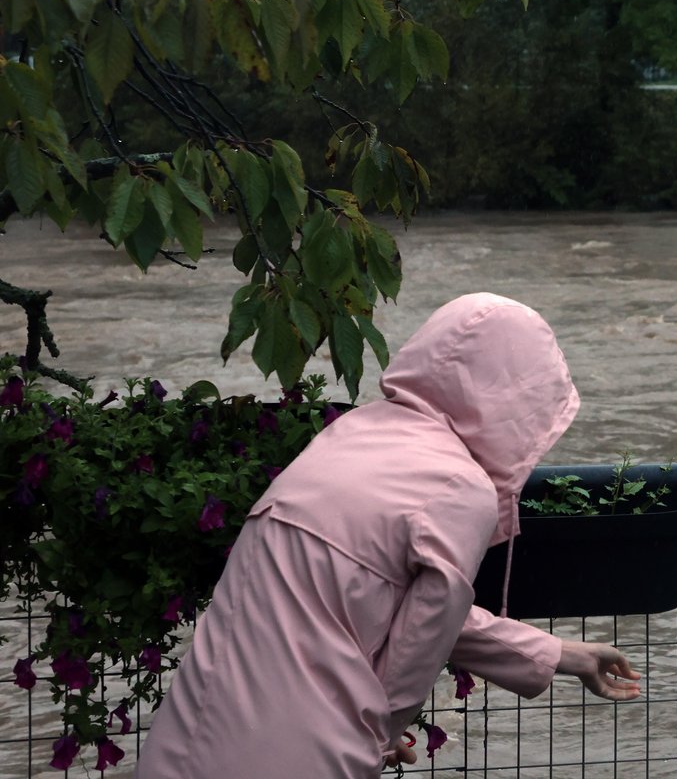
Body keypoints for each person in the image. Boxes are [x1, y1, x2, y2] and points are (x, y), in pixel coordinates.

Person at [135, 293, 641, 777]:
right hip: (300, 753)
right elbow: (415, 649)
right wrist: (376, 733)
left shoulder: (349, 434)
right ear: (514, 398)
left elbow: (392, 605)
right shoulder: (459, 485)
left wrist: (563, 655)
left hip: (191, 734)